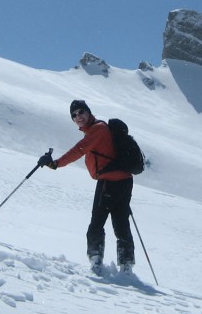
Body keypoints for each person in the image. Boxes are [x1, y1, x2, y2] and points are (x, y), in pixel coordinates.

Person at [39, 100, 135, 275]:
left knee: (96, 223)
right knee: (121, 223)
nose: (78, 117)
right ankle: (126, 266)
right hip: (123, 181)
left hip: (109, 182)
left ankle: (96, 261)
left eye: (81, 112)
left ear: (89, 112)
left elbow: (79, 150)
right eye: (74, 115)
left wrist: (55, 164)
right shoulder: (98, 129)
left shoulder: (97, 130)